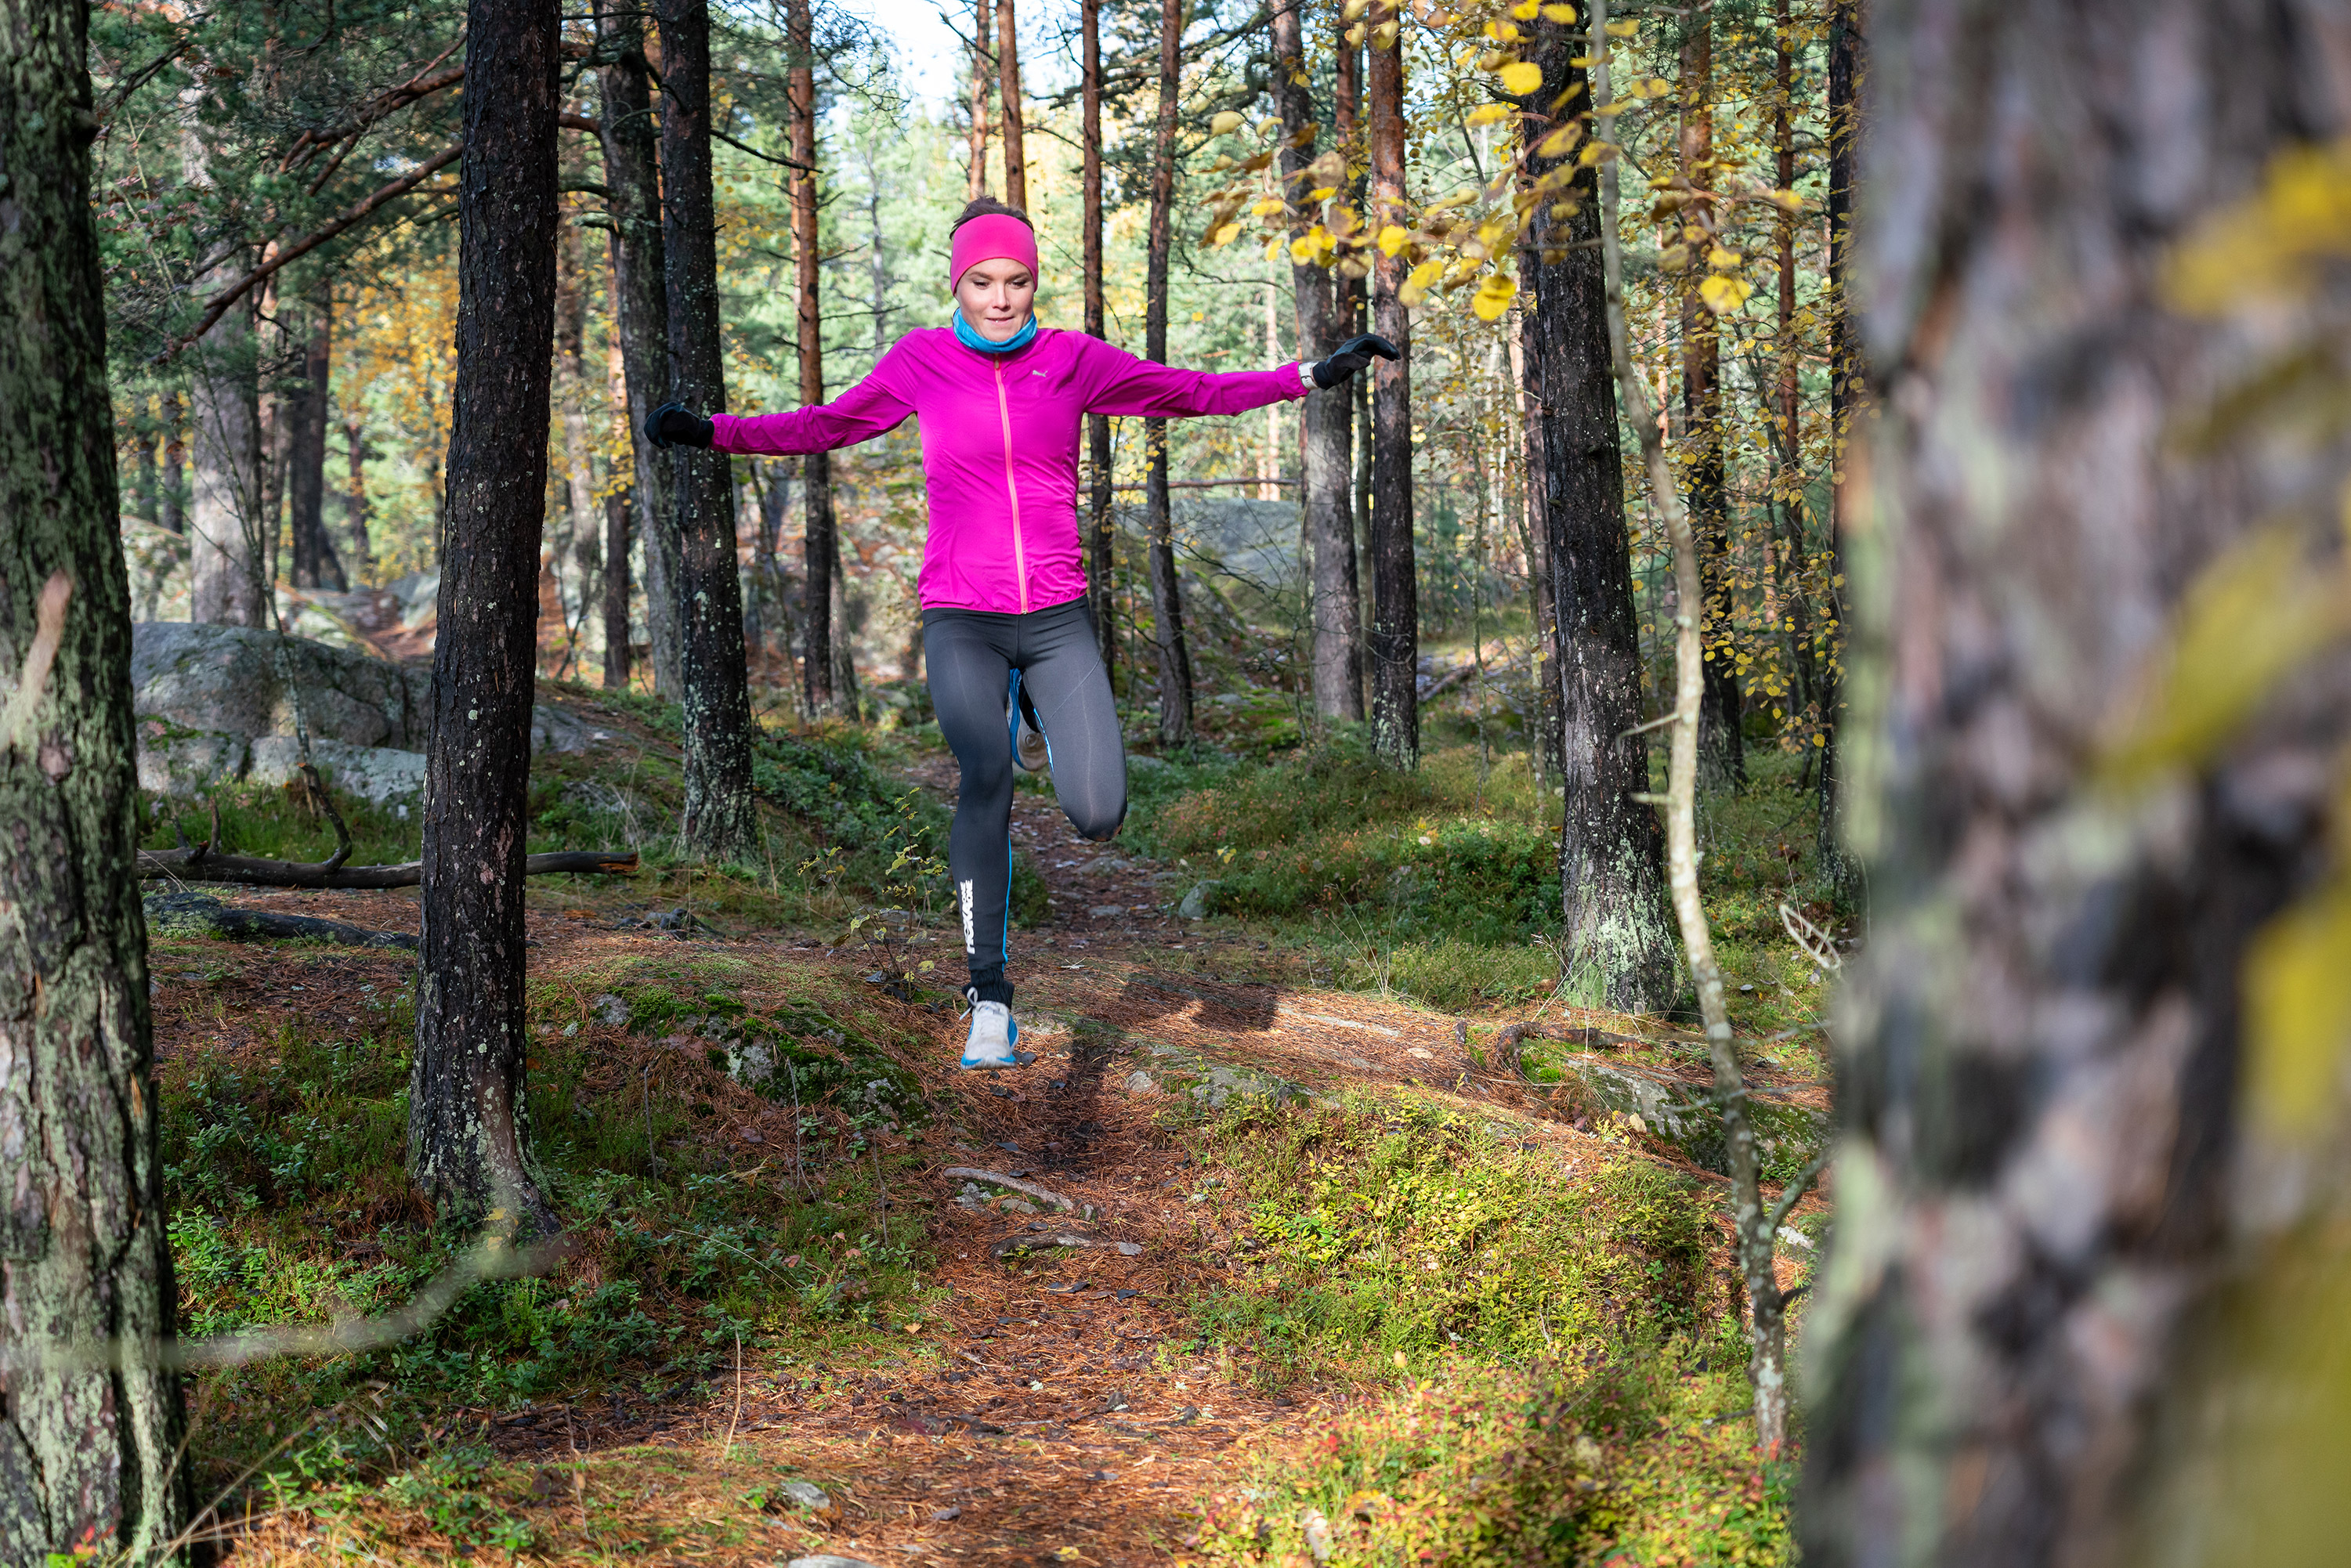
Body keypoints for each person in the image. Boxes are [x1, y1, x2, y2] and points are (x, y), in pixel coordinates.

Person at [647, 197, 1398, 1070]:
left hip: (1054, 617)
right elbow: (825, 426)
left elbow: (1190, 392)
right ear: (956, 285)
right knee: (985, 776)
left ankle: (1044, 714)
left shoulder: (1071, 360)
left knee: (1098, 812)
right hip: (960, 617)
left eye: (1015, 281)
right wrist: (710, 433)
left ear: (1032, 282)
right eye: (982, 282)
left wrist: (1308, 376)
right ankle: (989, 995)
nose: (1000, 298)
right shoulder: (919, 362)